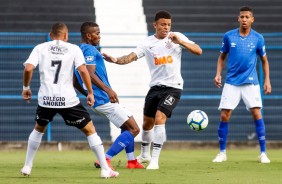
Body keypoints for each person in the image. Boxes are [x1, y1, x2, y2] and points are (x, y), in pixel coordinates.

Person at [102, 10, 203, 169]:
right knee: (147, 124)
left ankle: (154, 160)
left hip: (173, 87)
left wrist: (180, 42)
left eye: (169, 25)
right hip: (155, 88)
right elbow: (130, 57)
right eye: (163, 24)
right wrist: (115, 60)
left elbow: (198, 50)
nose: (166, 28)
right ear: (155, 25)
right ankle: (144, 155)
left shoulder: (176, 37)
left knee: (159, 117)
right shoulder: (147, 43)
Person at [20, 22, 119, 178]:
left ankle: (27, 166)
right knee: (90, 130)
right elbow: (83, 71)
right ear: (66, 35)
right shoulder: (74, 49)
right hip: (68, 100)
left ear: (51, 35)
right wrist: (90, 93)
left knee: (38, 129)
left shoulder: (40, 47)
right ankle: (105, 169)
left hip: (46, 99)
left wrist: (26, 88)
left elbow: (28, 68)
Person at [73, 22, 144, 169]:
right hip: (104, 98)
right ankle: (105, 159)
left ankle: (132, 161)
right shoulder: (89, 50)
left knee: (127, 128)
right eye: (97, 33)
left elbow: (75, 81)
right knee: (134, 129)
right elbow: (90, 74)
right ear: (88, 35)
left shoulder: (78, 51)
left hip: (98, 99)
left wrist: (88, 94)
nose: (99, 36)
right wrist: (107, 90)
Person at [212, 6, 271, 163]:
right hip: (231, 81)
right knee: (225, 115)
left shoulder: (258, 38)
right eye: (242, 17)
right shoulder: (229, 36)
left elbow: (264, 61)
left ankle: (263, 153)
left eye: (247, 17)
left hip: (251, 82)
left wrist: (267, 80)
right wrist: (218, 74)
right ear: (238, 19)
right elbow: (221, 57)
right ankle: (222, 152)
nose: (244, 19)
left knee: (257, 114)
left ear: (252, 19)